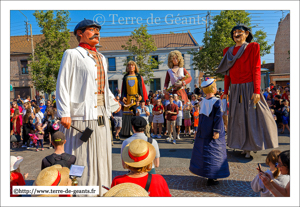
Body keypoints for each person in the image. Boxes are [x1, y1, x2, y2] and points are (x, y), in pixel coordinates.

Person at [56, 19, 119, 196]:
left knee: (102, 150)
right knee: (81, 152)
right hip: (81, 113)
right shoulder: (72, 54)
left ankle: (102, 187)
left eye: (98, 30)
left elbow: (104, 87)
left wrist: (114, 102)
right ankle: (81, 189)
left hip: (100, 112)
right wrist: (64, 112)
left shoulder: (101, 57)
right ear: (79, 33)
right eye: (92, 30)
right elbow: (62, 84)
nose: (97, 33)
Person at [216, 24, 278, 158]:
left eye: (239, 32)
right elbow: (227, 74)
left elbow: (256, 68)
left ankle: (251, 146)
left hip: (249, 87)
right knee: (237, 118)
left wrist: (256, 90)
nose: (236, 34)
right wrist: (226, 91)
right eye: (234, 32)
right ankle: (241, 146)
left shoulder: (252, 47)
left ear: (246, 33)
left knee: (252, 117)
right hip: (235, 89)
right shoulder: (228, 50)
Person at [189, 78, 230, 186]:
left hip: (204, 131)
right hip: (212, 132)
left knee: (206, 152)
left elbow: (201, 117)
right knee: (213, 152)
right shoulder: (216, 101)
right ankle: (212, 175)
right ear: (212, 88)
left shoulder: (204, 101)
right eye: (215, 86)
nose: (216, 88)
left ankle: (208, 174)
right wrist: (216, 131)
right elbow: (217, 118)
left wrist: (198, 130)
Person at [121, 61, 148, 137]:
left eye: (132, 65)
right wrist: (123, 96)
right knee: (128, 114)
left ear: (135, 67)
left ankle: (138, 131)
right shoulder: (125, 77)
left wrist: (141, 96)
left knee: (137, 113)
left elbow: (141, 88)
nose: (130, 67)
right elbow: (123, 89)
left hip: (136, 99)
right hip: (128, 99)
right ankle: (127, 132)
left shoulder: (138, 76)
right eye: (129, 65)